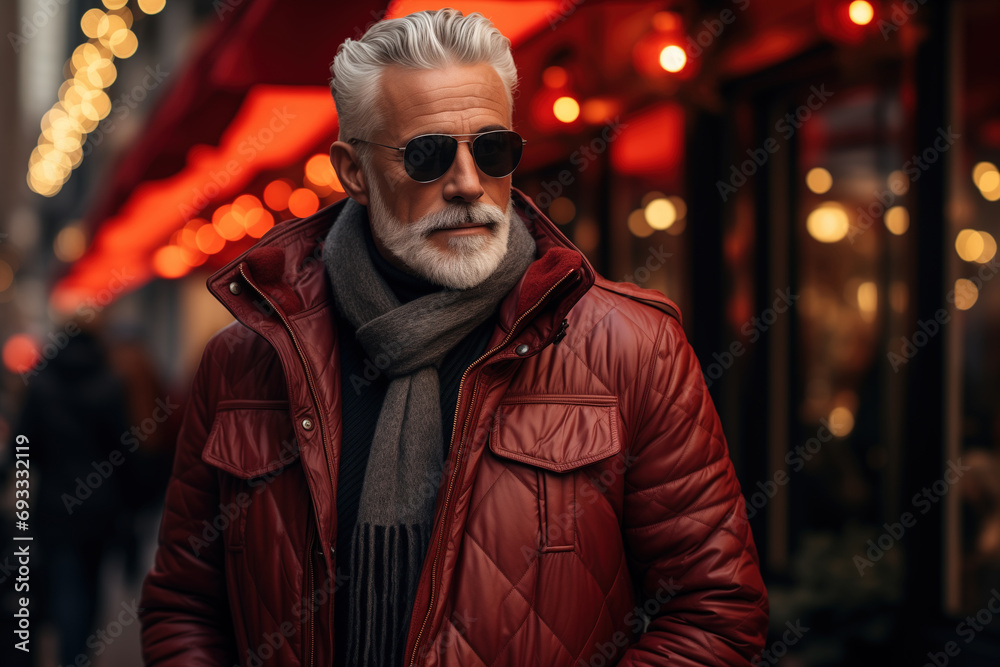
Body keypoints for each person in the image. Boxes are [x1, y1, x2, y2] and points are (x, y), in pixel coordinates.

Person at [140, 9, 768, 666]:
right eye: (428, 154)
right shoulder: (243, 362)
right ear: (353, 172)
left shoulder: (634, 346)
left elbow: (715, 607)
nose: (469, 183)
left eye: (492, 149)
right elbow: (185, 604)